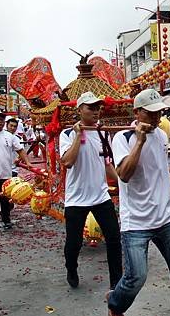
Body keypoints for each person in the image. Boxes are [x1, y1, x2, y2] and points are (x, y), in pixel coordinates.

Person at [108, 88, 170, 316]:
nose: (157, 118)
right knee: (136, 277)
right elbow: (124, 175)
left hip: (165, 219)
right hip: (136, 222)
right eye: (150, 113)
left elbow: (159, 169)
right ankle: (115, 304)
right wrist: (139, 141)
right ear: (137, 112)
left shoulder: (161, 136)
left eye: (159, 113)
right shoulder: (123, 138)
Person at [59, 91, 122, 290]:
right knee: (74, 243)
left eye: (97, 108)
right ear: (79, 110)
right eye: (90, 108)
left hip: (100, 195)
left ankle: (116, 281)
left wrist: (122, 182)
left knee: (114, 237)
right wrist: (79, 134)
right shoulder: (67, 134)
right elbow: (68, 161)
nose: (95, 112)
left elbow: (107, 164)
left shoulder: (103, 134)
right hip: (76, 198)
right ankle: (71, 268)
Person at [0, 110, 32, 240]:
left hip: (5, 174)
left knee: (5, 199)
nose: (0, 121)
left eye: (2, 119)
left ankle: (6, 219)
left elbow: (20, 150)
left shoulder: (10, 136)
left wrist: (28, 163)